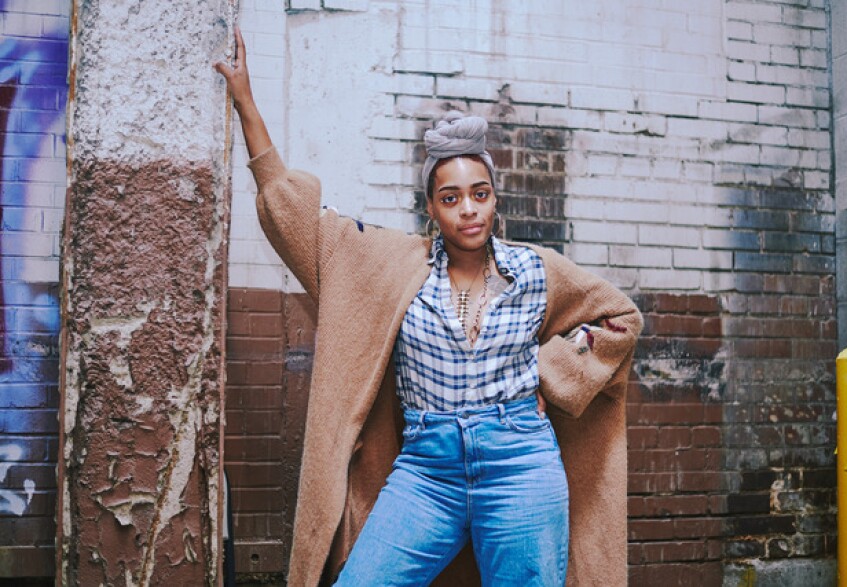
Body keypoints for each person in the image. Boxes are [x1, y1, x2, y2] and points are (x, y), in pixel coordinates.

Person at [216, 27, 642, 587]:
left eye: (480, 194)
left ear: (494, 199)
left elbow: (619, 319)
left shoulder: (536, 269)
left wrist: (552, 373)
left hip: (521, 466)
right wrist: (247, 103)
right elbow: (300, 223)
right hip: (426, 472)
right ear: (432, 210)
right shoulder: (393, 264)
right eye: (451, 198)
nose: (468, 209)